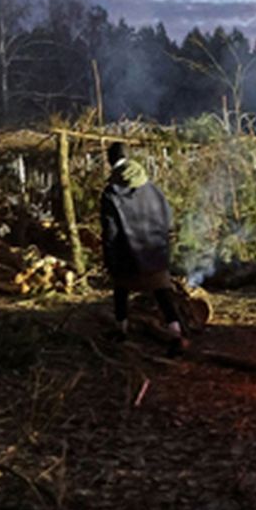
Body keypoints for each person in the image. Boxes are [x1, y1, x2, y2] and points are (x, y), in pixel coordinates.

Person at [100, 142, 187, 354]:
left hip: (127, 255)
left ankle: (121, 330)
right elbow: (168, 217)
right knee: (162, 293)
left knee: (121, 291)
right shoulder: (152, 188)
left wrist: (109, 259)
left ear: (110, 161)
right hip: (155, 250)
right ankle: (176, 333)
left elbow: (110, 231)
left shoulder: (111, 193)